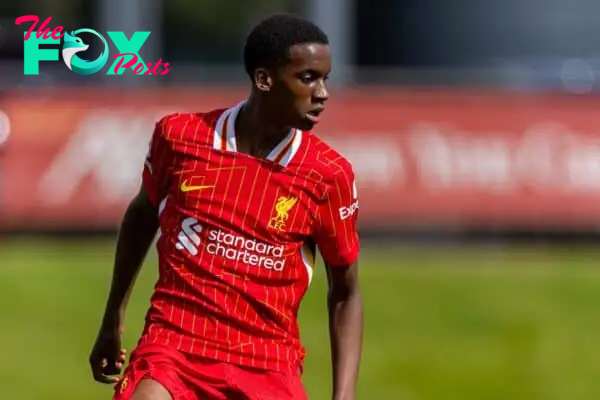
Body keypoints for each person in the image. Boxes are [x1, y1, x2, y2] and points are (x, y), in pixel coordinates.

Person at [89, 13, 363, 400]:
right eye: (308, 78)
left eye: (325, 79)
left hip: (268, 362)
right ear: (264, 80)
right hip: (175, 346)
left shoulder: (328, 175)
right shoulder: (179, 137)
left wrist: (344, 396)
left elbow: (346, 292)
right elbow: (143, 213)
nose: (323, 93)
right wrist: (113, 317)